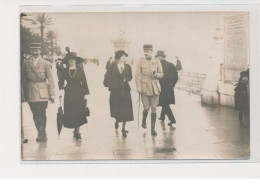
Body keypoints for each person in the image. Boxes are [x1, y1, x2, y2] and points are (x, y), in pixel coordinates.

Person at [21, 43, 55, 142]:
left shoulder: (45, 63)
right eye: (33, 50)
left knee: (42, 112)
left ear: (40, 51)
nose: (35, 52)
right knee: (35, 113)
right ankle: (39, 131)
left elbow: (51, 79)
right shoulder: (26, 63)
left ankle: (43, 132)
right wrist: (22, 94)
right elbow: (23, 80)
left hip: (43, 91)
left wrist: (52, 94)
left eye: (37, 50)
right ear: (31, 51)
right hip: (30, 91)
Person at [58, 51, 90, 140]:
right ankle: (75, 129)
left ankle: (78, 131)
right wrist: (60, 90)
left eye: (73, 59)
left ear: (76, 60)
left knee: (79, 111)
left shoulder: (80, 70)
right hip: (68, 93)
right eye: (69, 59)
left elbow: (84, 82)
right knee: (71, 111)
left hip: (79, 93)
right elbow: (60, 81)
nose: (71, 61)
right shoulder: (64, 70)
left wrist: (85, 94)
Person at [103, 50, 134, 137]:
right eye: (122, 56)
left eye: (125, 56)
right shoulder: (112, 67)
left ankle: (123, 128)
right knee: (117, 108)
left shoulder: (128, 67)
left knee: (126, 110)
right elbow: (106, 79)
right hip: (115, 91)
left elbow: (130, 76)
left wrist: (125, 79)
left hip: (125, 90)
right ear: (118, 57)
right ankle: (117, 120)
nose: (124, 57)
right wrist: (113, 84)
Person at [135, 44, 164, 136]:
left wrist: (156, 75)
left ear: (151, 51)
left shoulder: (157, 61)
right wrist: (138, 88)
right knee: (146, 108)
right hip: (144, 88)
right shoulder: (140, 61)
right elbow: (138, 76)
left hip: (155, 87)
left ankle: (153, 129)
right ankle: (144, 120)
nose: (145, 53)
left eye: (147, 51)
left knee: (154, 109)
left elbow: (161, 74)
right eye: (144, 51)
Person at [156, 51, 178, 126]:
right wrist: (172, 85)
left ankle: (172, 119)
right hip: (169, 88)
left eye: (158, 57)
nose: (157, 58)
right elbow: (176, 77)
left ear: (160, 57)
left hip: (161, 88)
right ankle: (162, 117)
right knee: (165, 102)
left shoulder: (157, 66)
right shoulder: (171, 65)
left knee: (165, 104)